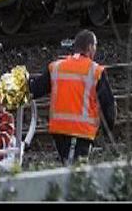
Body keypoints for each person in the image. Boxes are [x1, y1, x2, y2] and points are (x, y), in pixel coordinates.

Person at [29, 29, 116, 166]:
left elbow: (35, 89)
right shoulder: (96, 71)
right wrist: (107, 131)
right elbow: (109, 105)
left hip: (59, 131)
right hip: (80, 132)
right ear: (89, 47)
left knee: (69, 168)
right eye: (95, 46)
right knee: (75, 173)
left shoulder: (56, 67)